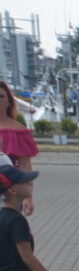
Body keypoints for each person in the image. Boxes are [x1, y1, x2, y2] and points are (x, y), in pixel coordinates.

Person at [0, 81, 39, 217]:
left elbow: (24, 166)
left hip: (8, 193)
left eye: (1, 96)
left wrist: (27, 196)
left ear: (9, 101)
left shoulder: (18, 131)